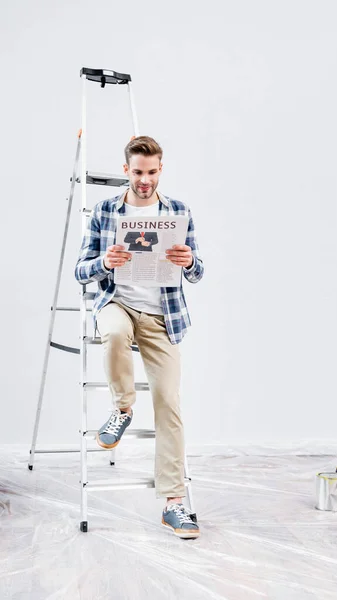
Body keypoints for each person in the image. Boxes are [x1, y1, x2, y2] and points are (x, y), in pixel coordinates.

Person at [75, 136, 204, 539]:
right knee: (112, 333)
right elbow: (80, 271)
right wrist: (103, 261)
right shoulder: (106, 209)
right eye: (137, 172)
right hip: (119, 303)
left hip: (162, 316)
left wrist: (189, 262)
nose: (144, 180)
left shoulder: (178, 211)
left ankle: (173, 504)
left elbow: (199, 272)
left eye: (151, 172)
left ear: (160, 169)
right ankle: (123, 409)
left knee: (169, 404)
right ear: (126, 169)